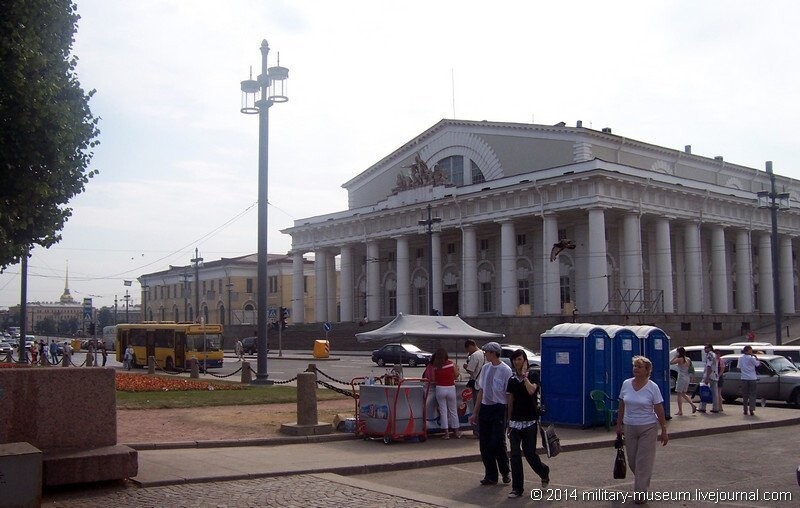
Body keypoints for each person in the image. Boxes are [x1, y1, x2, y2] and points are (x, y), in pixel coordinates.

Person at [615, 356, 669, 503]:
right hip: (629, 426)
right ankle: (643, 481)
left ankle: (640, 494)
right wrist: (619, 426)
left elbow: (659, 410)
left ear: (647, 370)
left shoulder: (653, 387)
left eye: (639, 367)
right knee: (632, 461)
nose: (636, 369)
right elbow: (621, 406)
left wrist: (664, 430)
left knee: (643, 462)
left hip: (648, 427)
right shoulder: (626, 384)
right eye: (634, 366)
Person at [506, 349, 549, 498]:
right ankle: (517, 488)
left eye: (519, 359)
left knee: (530, 453)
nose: (517, 362)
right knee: (515, 455)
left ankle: (543, 471)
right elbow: (510, 401)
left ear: (525, 360)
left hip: (530, 421)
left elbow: (531, 391)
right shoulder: (511, 380)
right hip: (515, 422)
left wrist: (525, 377)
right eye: (515, 360)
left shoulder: (533, 375)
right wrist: (508, 421)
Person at [467, 341, 512, 486]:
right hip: (486, 408)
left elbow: (508, 394)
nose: (485, 354)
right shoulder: (485, 368)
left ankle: (505, 471)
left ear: (493, 353)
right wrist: (475, 412)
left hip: (499, 408)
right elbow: (481, 391)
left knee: (498, 441)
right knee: (485, 443)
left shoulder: (505, 370)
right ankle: (491, 474)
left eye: (486, 352)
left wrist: (509, 416)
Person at [431, 348, 461, 439]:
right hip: (451, 388)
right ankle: (456, 432)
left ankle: (446, 433)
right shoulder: (452, 364)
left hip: (440, 388)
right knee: (453, 411)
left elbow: (432, 379)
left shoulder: (435, 366)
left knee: (443, 411)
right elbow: (456, 375)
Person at [669, 347, 696, 416]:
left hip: (681, 377)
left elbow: (671, 362)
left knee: (679, 394)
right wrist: (693, 377)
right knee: (684, 394)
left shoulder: (679, 359)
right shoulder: (688, 359)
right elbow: (691, 368)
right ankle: (692, 405)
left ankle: (680, 411)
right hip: (687, 377)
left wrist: (675, 356)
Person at [698, 344, 721, 413]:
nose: (705, 349)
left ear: (710, 348)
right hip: (714, 376)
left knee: (704, 390)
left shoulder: (710, 355)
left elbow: (709, 366)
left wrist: (707, 377)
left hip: (710, 376)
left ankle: (702, 407)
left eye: (706, 348)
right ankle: (716, 408)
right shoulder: (714, 354)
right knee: (715, 393)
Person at [739, 345, 760, 416]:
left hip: (744, 378)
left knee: (745, 395)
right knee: (752, 394)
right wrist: (756, 357)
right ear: (748, 351)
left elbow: (739, 367)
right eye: (751, 350)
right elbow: (757, 364)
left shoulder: (740, 358)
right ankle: (751, 409)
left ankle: (745, 410)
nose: (751, 352)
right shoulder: (751, 358)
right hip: (752, 378)